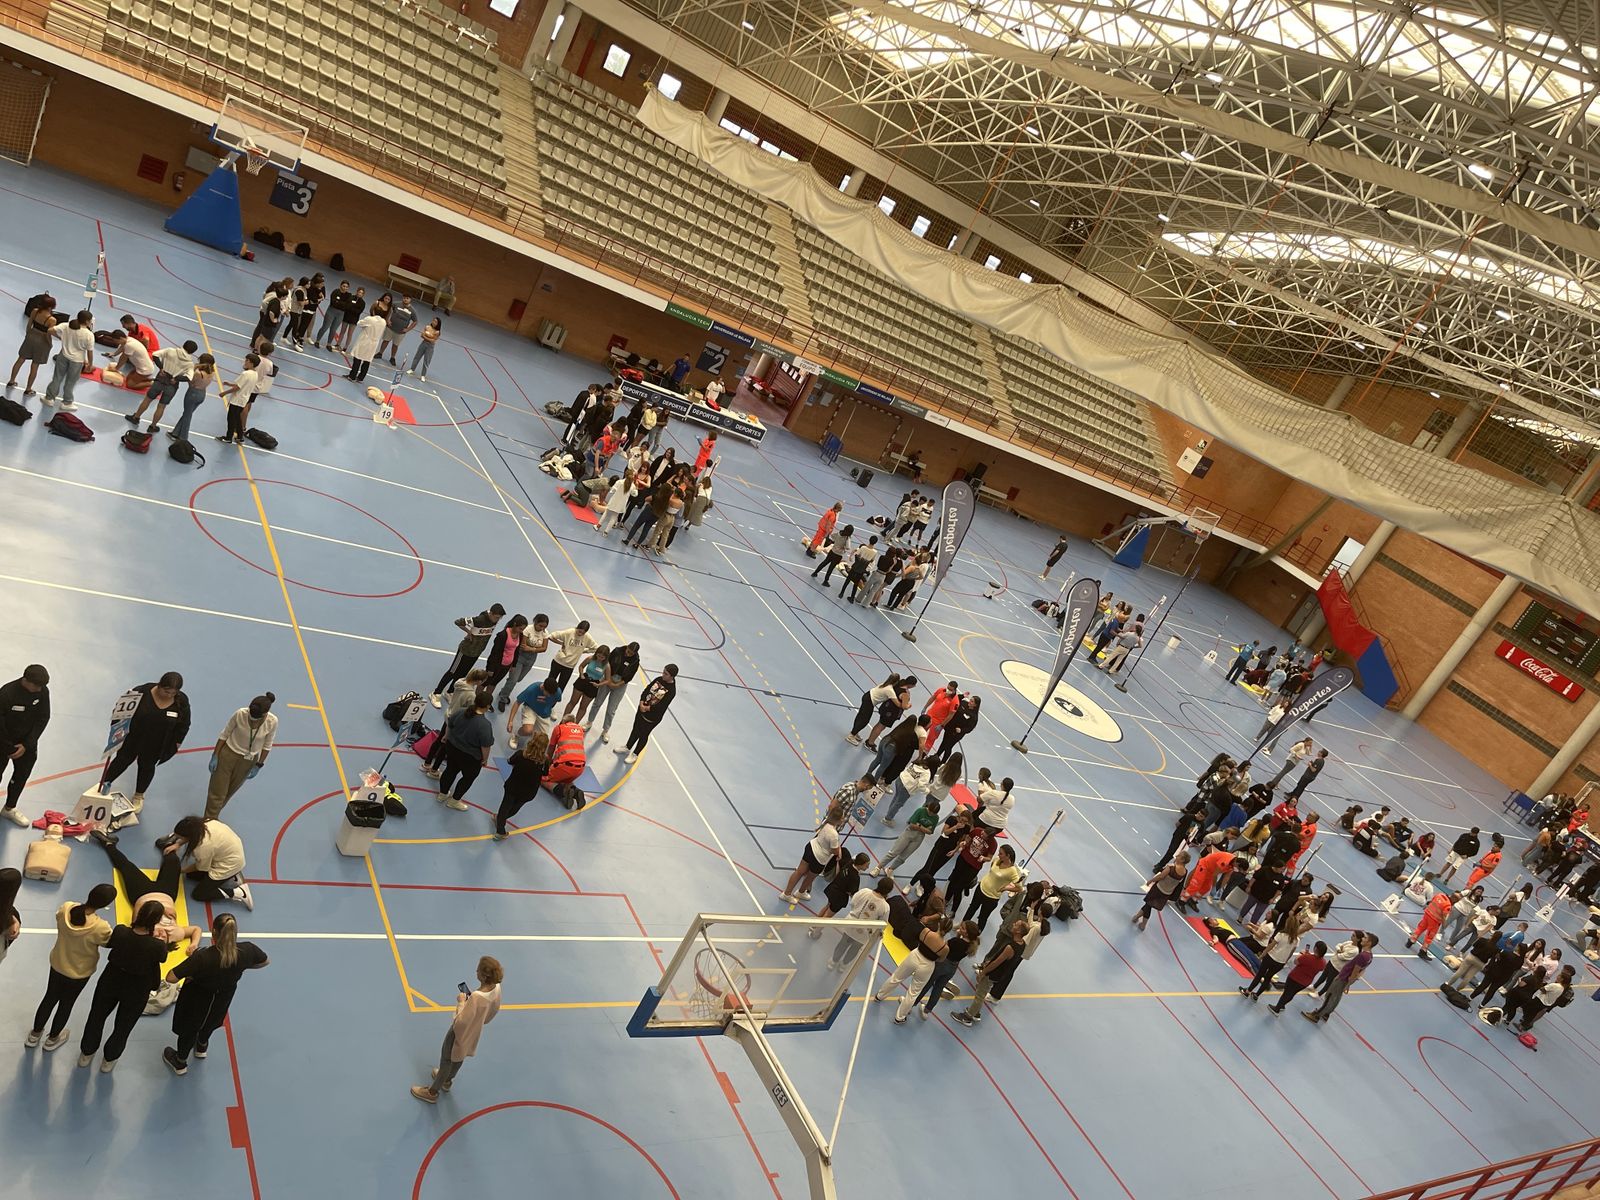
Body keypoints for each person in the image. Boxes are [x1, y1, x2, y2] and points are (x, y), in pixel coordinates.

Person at [162, 912, 269, 1074]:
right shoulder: (247, 950)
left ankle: (180, 1061)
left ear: (213, 933)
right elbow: (264, 961)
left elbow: (171, 977)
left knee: (190, 1028)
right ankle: (202, 1046)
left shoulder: (203, 957)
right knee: (211, 1021)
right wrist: (243, 966)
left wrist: (192, 970)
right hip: (223, 997)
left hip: (197, 999)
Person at [26, 882, 117, 1050]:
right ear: (106, 905)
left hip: (58, 964)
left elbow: (59, 916)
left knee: (49, 998)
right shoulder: (100, 927)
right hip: (79, 973)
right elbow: (107, 942)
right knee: (66, 1004)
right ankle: (52, 1039)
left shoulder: (66, 908)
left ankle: (34, 1035)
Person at [412, 955, 504, 1103]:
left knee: (446, 1059)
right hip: (475, 1031)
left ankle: (432, 1092)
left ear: (483, 976)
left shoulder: (475, 997)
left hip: (459, 1034)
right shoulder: (497, 988)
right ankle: (447, 1081)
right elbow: (494, 1011)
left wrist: (461, 1002)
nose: (476, 971)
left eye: (478, 970)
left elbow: (459, 1023)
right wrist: (480, 1020)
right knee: (459, 1058)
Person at [102, 672, 191, 814]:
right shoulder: (140, 692)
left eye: (172, 693)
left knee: (147, 766)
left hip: (157, 743)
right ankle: (105, 784)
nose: (168, 695)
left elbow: (184, 725)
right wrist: (116, 732)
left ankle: (139, 795)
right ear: (159, 685)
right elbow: (119, 712)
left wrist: (177, 742)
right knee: (122, 760)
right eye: (166, 691)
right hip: (133, 737)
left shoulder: (182, 701)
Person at [204, 693, 277, 821]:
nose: (251, 718)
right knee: (217, 793)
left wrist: (259, 764)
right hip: (228, 754)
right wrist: (215, 755)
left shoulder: (272, 721)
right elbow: (224, 734)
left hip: (248, 761)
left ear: (265, 714)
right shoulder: (240, 714)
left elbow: (267, 745)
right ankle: (208, 822)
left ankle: (212, 817)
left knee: (228, 792)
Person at [873, 906, 949, 1024]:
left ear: (939, 924)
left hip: (915, 956)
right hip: (927, 965)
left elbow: (919, 939)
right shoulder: (945, 948)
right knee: (913, 992)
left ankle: (879, 996)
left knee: (896, 977)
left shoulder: (926, 932)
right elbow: (940, 959)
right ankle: (900, 1017)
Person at [951, 917, 1028, 1027]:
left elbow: (997, 962)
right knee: (982, 991)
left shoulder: (1010, 947)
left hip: (993, 973)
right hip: (1000, 974)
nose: (1014, 924)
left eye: (1016, 924)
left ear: (1019, 931)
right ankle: (975, 1012)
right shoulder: (1022, 944)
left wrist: (983, 972)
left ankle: (968, 1017)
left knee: (980, 994)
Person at [0, 663, 50, 827]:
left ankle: (9, 808)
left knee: (21, 776)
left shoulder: (42, 692)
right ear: (25, 680)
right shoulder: (7, 693)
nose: (39, 689)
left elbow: (43, 718)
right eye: (36, 686)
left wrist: (27, 745)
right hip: (3, 742)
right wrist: (9, 748)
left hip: (27, 745)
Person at [431, 604, 506, 705]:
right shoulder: (480, 619)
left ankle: (450, 692)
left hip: (476, 652)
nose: (498, 620)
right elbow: (458, 622)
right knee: (452, 672)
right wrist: (469, 632)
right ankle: (436, 693)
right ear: (491, 613)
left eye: (500, 618)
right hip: (465, 650)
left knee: (462, 674)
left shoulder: (493, 620)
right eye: (497, 617)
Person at [437, 689, 496, 812]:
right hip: (470, 757)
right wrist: (484, 760)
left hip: (452, 748)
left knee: (449, 771)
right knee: (468, 778)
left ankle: (442, 794)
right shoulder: (484, 725)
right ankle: (454, 801)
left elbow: (449, 724)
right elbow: (485, 746)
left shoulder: (461, 712)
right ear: (487, 706)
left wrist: (446, 736)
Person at [1302, 932, 1375, 1023]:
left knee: (1330, 996)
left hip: (1343, 978)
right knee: (1335, 997)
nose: (1363, 939)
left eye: (1365, 938)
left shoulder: (1362, 956)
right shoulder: (1369, 956)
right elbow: (1362, 971)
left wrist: (1348, 983)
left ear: (1369, 943)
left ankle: (1316, 1015)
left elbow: (1356, 970)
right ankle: (1326, 1013)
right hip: (1344, 978)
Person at [782, 803, 847, 903]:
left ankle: (786, 893)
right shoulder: (834, 835)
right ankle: (800, 892)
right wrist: (839, 850)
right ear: (838, 819)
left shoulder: (826, 823)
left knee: (799, 871)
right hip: (819, 858)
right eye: (842, 817)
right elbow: (834, 851)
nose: (843, 819)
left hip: (811, 847)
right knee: (811, 876)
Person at [492, 731, 550, 840]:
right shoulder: (544, 761)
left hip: (513, 786)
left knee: (505, 806)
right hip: (528, 792)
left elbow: (510, 761)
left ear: (532, 742)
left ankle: (500, 826)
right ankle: (500, 821)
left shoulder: (521, 754)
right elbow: (545, 773)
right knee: (514, 809)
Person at [826, 876, 892, 970]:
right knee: (854, 950)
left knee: (842, 943)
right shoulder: (885, 907)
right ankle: (843, 965)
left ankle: (833, 962)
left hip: (851, 924)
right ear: (888, 891)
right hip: (864, 933)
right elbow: (882, 924)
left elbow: (853, 902)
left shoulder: (865, 891)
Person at [616, 663, 677, 764]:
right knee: (635, 728)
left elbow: (662, 706)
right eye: (663, 672)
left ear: (672, 676)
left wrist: (647, 708)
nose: (663, 674)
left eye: (666, 674)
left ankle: (635, 754)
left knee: (643, 734)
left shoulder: (671, 691)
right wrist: (641, 702)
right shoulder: (659, 679)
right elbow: (647, 690)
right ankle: (628, 747)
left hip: (652, 716)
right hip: (642, 708)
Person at [40, 309, 96, 411]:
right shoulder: (89, 335)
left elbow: (50, 330)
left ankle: (49, 398)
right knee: (71, 382)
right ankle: (67, 402)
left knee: (57, 378)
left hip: (63, 356)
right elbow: (90, 351)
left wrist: (62, 337)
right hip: (77, 361)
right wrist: (90, 364)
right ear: (87, 321)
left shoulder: (66, 326)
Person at [874, 796, 941, 879]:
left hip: (919, 838)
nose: (931, 814)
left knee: (903, 857)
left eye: (933, 814)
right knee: (894, 852)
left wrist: (919, 825)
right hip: (909, 833)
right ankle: (878, 867)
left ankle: (891, 869)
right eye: (930, 812)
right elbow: (912, 825)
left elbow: (930, 832)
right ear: (928, 807)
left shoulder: (936, 818)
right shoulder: (920, 810)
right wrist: (924, 828)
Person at [963, 843, 1022, 931]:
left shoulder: (1012, 871)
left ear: (1008, 856)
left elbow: (1019, 888)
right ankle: (962, 925)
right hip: (981, 888)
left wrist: (1005, 888)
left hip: (991, 897)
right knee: (971, 908)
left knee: (983, 917)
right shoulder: (997, 860)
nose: (998, 855)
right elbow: (992, 870)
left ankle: (976, 935)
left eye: (1001, 853)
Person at [943, 820, 997, 916]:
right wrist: (962, 845)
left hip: (973, 866)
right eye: (982, 833)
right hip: (963, 858)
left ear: (989, 838)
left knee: (959, 887)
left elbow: (989, 857)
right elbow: (967, 839)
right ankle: (945, 901)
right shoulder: (977, 831)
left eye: (984, 836)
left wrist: (984, 858)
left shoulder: (993, 844)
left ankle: (953, 910)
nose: (982, 835)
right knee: (953, 880)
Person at [9, 296, 55, 394]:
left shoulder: (35, 311)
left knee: (20, 359)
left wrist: (28, 335)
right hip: (42, 341)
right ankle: (28, 389)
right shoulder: (52, 319)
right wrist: (50, 344)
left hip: (31, 336)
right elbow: (48, 334)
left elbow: (29, 324)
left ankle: (11, 381)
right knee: (35, 365)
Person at [167, 353, 216, 444]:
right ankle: (175, 433)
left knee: (187, 415)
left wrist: (193, 368)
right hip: (202, 394)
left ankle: (183, 438)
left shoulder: (198, 373)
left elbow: (191, 382)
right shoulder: (212, 372)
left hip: (193, 393)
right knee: (187, 414)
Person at [1269, 940, 1328, 1014]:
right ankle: (1282, 1005)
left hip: (1294, 977)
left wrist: (1301, 954)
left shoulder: (1306, 957)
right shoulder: (1323, 963)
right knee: (1292, 994)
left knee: (1286, 993)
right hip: (1305, 982)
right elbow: (1318, 967)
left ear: (1315, 948)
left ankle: (1277, 1009)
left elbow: (1296, 961)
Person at [561, 646, 612, 726]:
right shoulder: (590, 658)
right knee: (573, 702)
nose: (600, 658)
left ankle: (575, 725)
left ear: (606, 657)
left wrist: (598, 684)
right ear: (596, 654)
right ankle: (563, 721)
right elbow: (581, 666)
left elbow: (608, 680)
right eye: (598, 656)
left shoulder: (607, 666)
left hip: (593, 685)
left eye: (602, 657)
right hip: (583, 680)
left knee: (583, 707)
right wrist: (581, 674)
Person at [217, 352, 259, 444]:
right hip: (243, 400)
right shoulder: (255, 374)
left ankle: (228, 437)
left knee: (231, 419)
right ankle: (240, 437)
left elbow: (237, 387)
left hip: (237, 400)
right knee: (237, 419)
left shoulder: (246, 374)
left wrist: (224, 393)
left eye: (247, 360)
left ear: (251, 363)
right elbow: (243, 384)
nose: (245, 362)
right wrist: (230, 384)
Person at [543, 621, 598, 691]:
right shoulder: (569, 632)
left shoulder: (587, 637)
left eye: (583, 633)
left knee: (560, 688)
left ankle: (553, 701)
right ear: (577, 628)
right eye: (579, 631)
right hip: (558, 662)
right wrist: (561, 643)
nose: (580, 634)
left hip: (569, 666)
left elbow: (596, 648)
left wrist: (583, 651)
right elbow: (551, 636)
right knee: (549, 684)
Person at [346, 307, 388, 381]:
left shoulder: (370, 319)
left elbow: (359, 323)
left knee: (357, 357)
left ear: (374, 312)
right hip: (374, 343)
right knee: (367, 360)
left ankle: (352, 376)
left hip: (365, 341)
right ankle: (361, 377)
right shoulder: (383, 322)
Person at [312, 280, 351, 349]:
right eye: (344, 286)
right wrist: (342, 304)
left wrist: (339, 302)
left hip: (340, 314)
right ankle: (317, 341)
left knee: (333, 329)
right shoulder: (335, 292)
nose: (345, 288)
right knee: (325, 327)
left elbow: (347, 306)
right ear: (340, 286)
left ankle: (329, 344)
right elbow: (333, 303)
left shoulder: (349, 295)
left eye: (347, 287)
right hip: (331, 311)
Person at [380, 294, 417, 366]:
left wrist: (407, 329)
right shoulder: (396, 304)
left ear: (410, 300)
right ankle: (380, 353)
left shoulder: (412, 310)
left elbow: (415, 321)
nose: (405, 299)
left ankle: (392, 357)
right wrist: (387, 320)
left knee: (395, 345)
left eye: (407, 298)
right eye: (404, 298)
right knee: (385, 341)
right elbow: (388, 309)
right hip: (390, 328)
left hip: (400, 332)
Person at [332, 285, 366, 352]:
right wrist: (352, 308)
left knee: (350, 334)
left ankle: (345, 347)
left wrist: (352, 308)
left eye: (361, 293)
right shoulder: (351, 297)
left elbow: (358, 311)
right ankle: (338, 344)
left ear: (363, 294)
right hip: (346, 318)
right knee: (342, 332)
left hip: (353, 320)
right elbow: (347, 306)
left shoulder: (363, 303)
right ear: (357, 292)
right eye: (359, 292)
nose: (360, 294)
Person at [407, 317, 442, 381]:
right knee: (417, 357)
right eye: (433, 321)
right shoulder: (427, 327)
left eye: (436, 322)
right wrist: (428, 338)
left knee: (426, 361)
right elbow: (422, 335)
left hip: (430, 347)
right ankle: (412, 369)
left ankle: (423, 375)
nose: (434, 322)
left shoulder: (437, 332)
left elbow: (433, 341)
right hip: (423, 344)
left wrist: (426, 337)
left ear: (438, 324)